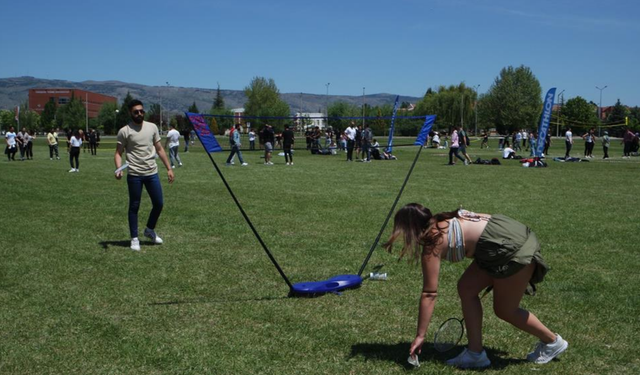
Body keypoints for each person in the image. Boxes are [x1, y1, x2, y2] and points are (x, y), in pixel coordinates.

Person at [384, 204, 568, 369]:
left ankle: (552, 341)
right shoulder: (443, 220)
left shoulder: (433, 242)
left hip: (511, 247)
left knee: (505, 310)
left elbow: (429, 293)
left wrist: (420, 336)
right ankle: (475, 354)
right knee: (467, 287)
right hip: (504, 235)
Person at [114, 99, 174, 251]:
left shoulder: (152, 127)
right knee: (134, 206)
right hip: (134, 174)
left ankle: (149, 230)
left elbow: (159, 149)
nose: (139, 114)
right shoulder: (124, 131)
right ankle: (134, 238)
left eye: (141, 111)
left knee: (159, 203)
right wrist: (119, 168)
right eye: (136, 112)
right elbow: (118, 153)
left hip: (151, 173)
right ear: (130, 113)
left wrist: (169, 168)